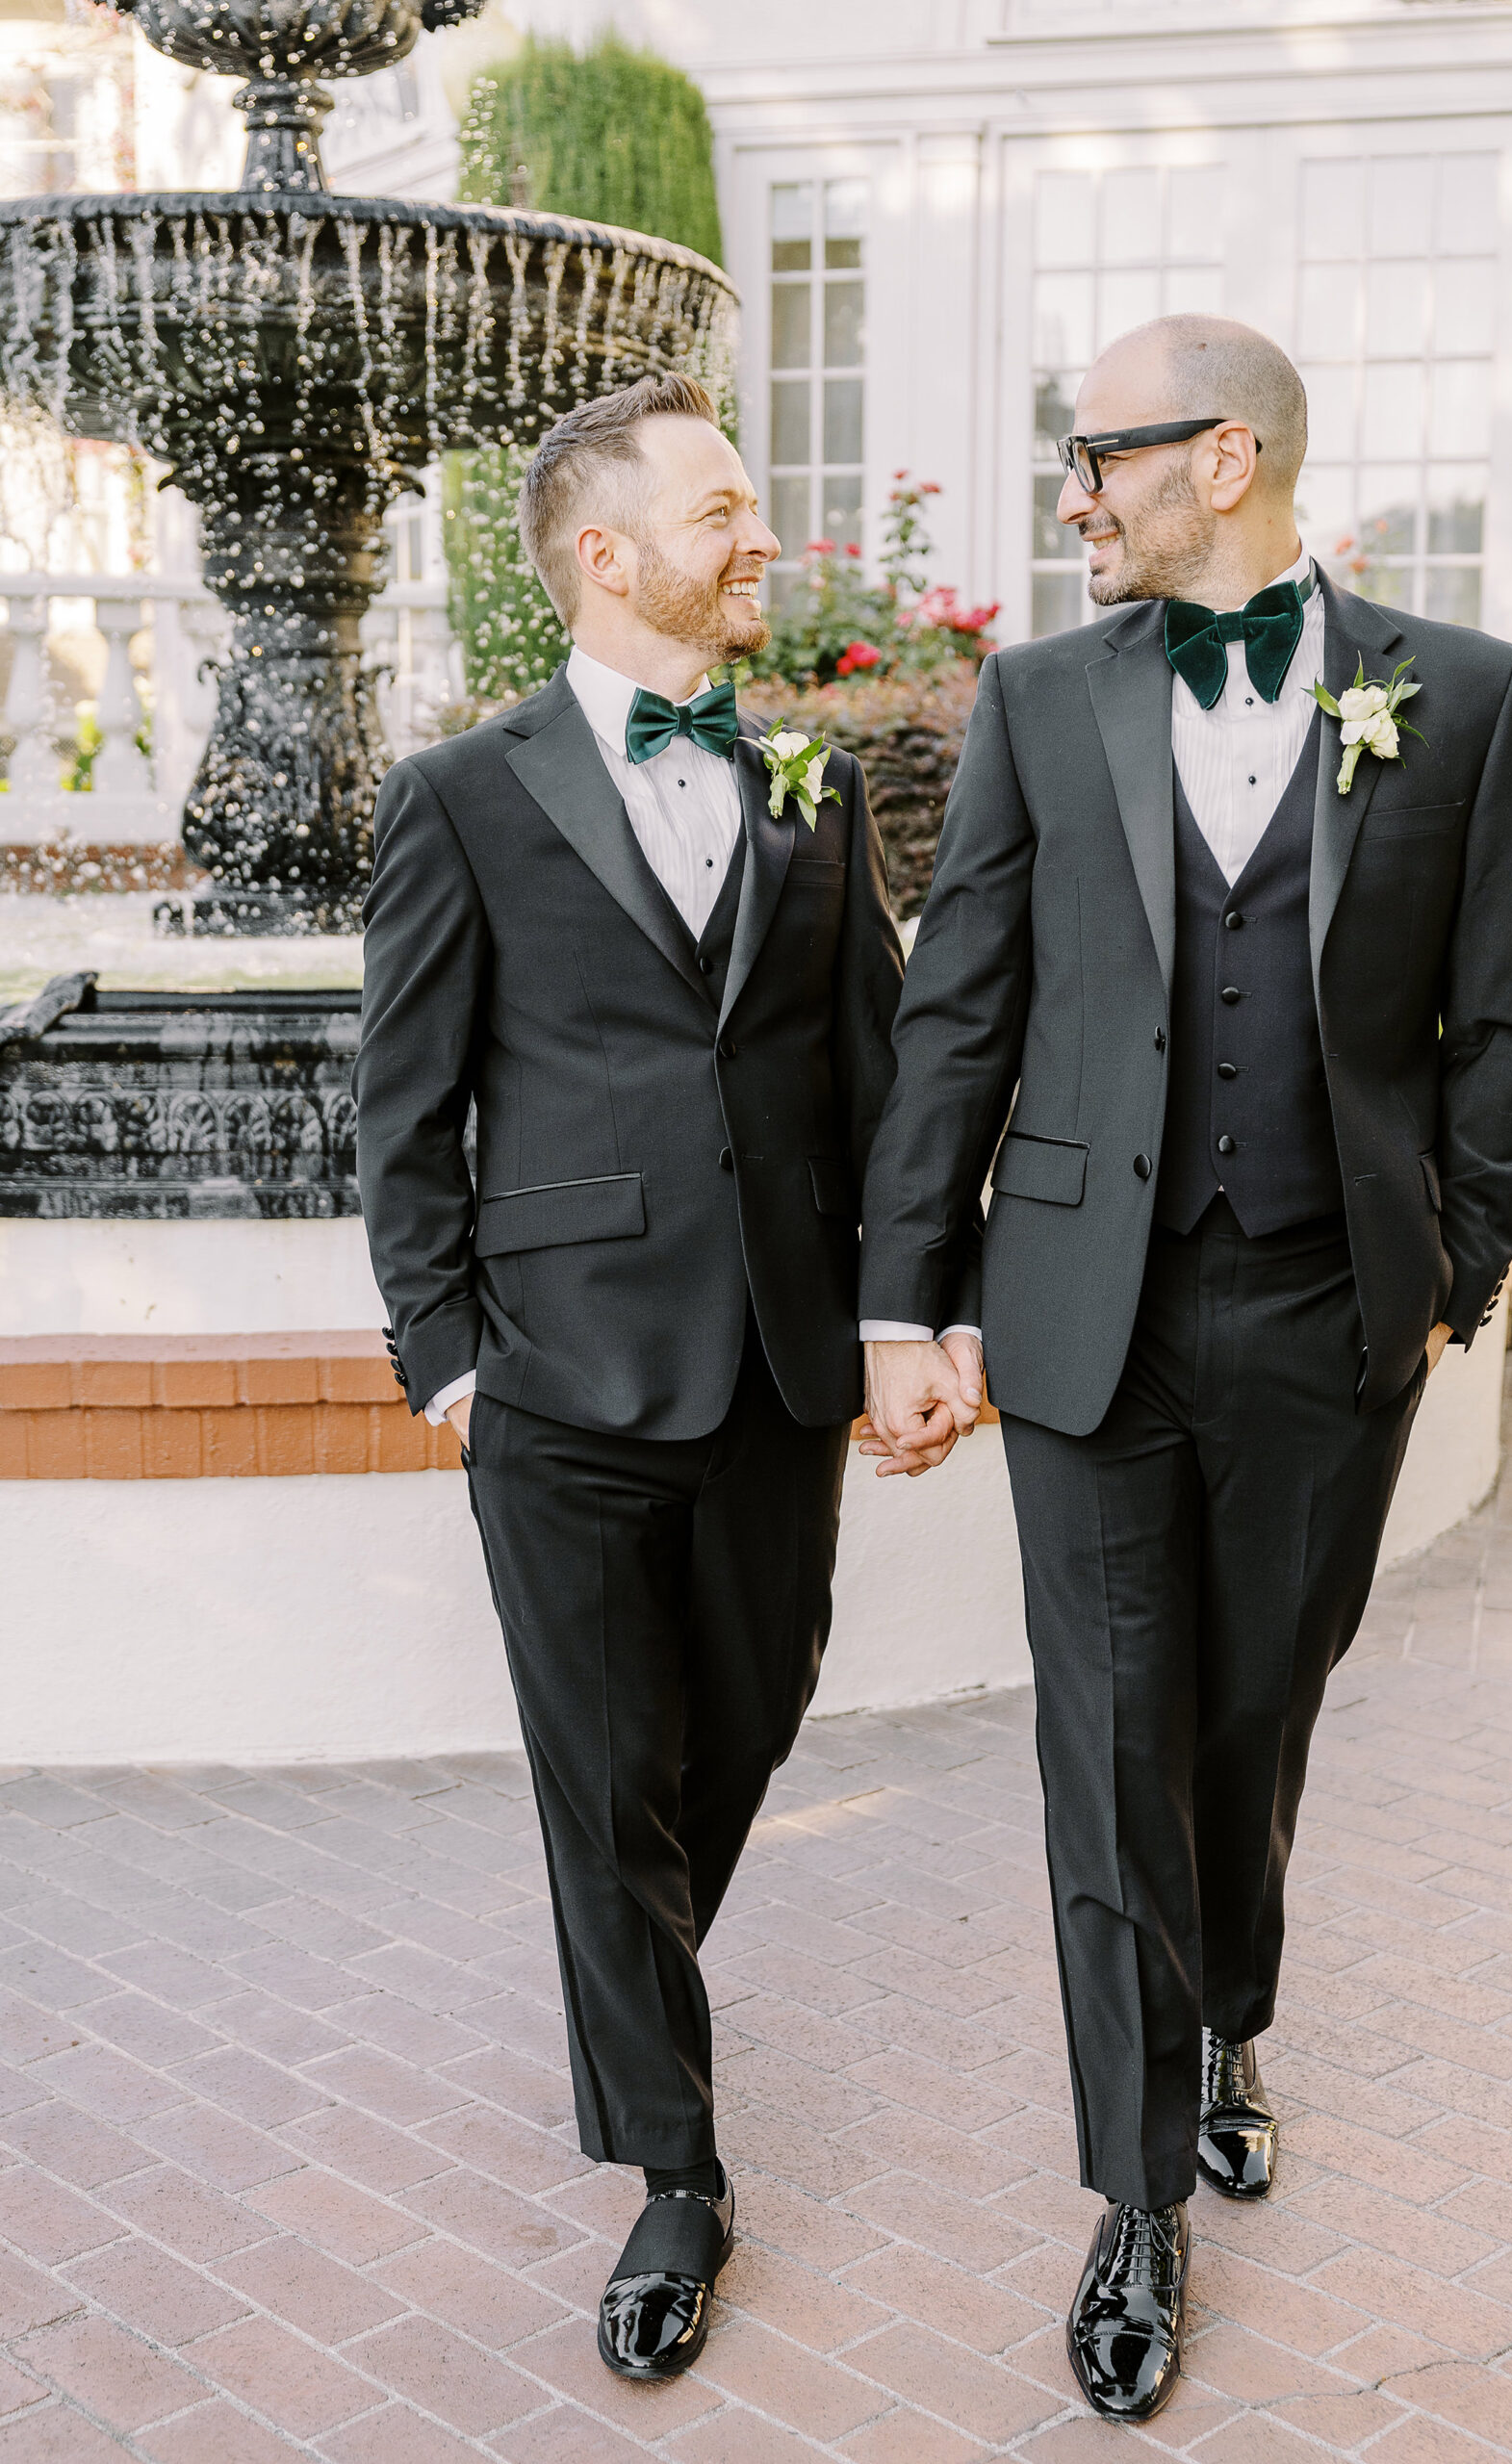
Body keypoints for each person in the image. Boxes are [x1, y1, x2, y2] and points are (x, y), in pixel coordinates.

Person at [857, 315, 1512, 2423]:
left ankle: (1224, 2010)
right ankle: (1134, 2188)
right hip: (1085, 1313)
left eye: (1102, 458)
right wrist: (910, 1303)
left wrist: (1453, 1253)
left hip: (1328, 1309)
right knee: (1106, 1734)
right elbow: (956, 1015)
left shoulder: (1458, 698)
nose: (1074, 497)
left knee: (1254, 1706)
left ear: (1225, 455)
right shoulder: (1038, 696)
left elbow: (1505, 1024)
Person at [353, 371, 908, 2381]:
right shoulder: (464, 795)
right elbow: (403, 1105)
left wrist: (916, 1309)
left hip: (777, 1351)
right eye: (728, 508)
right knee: (603, 1787)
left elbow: (888, 1078)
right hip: (560, 1379)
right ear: (608, 552)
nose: (763, 536)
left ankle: (632, 1983)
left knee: (739, 1733)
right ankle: (674, 2166)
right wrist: (448, 1361)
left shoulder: (814, 786)